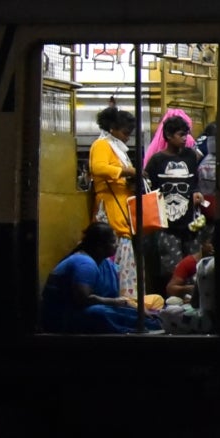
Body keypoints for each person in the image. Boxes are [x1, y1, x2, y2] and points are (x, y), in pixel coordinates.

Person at [40, 222, 157, 335]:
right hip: (64, 318)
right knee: (98, 314)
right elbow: (83, 299)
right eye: (112, 242)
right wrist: (117, 303)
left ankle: (155, 322)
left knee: (144, 311)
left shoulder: (105, 263)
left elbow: (114, 299)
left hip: (90, 309)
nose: (116, 245)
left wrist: (135, 307)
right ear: (99, 246)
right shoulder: (84, 264)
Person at [88, 106, 140, 302]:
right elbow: (98, 167)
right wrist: (129, 172)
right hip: (110, 207)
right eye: (125, 133)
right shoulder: (102, 145)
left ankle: (124, 297)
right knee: (116, 250)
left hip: (120, 206)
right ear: (112, 128)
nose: (127, 138)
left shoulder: (116, 148)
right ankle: (121, 297)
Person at [143, 114, 204, 273]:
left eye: (186, 134)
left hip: (191, 225)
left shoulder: (191, 156)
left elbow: (194, 180)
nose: (185, 138)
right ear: (169, 136)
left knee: (193, 268)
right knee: (173, 270)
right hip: (166, 227)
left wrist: (196, 191)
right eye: (181, 134)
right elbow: (147, 188)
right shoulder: (157, 160)